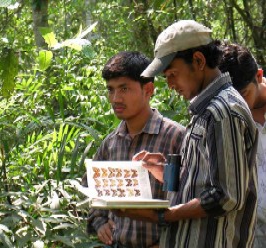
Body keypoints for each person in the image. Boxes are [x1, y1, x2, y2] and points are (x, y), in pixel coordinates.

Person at [113, 20, 258, 248]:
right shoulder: (205, 109)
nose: (170, 84)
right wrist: (166, 171)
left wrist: (164, 215)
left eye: (172, 74)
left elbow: (226, 196)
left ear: (199, 61)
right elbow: (206, 180)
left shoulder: (222, 112)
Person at [83, 51, 185, 248]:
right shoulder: (111, 143)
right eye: (111, 90)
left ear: (148, 90)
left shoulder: (176, 137)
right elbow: (91, 190)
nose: (115, 98)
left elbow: (191, 200)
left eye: (124, 88)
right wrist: (100, 222)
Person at [218, 43, 266, 248]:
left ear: (259, 76)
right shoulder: (226, 117)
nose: (240, 105)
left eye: (244, 94)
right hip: (250, 233)